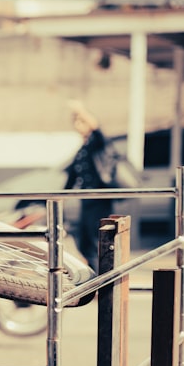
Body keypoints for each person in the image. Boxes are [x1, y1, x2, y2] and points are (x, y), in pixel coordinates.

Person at [64, 100, 113, 273]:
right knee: (84, 243)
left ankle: (102, 280)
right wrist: (58, 198)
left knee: (95, 241)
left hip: (99, 200)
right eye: (75, 121)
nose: (77, 125)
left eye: (81, 121)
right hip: (86, 202)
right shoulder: (82, 149)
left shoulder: (97, 144)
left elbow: (97, 128)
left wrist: (81, 110)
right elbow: (71, 179)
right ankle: (96, 278)